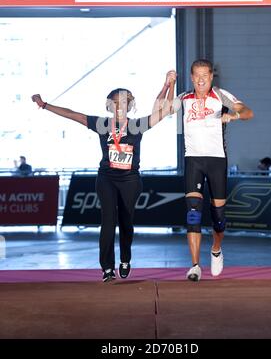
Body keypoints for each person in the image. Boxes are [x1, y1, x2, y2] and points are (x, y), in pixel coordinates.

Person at [32, 71, 176, 282]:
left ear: (130, 105)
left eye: (125, 102)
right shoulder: (102, 125)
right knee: (108, 221)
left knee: (126, 222)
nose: (120, 107)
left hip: (130, 180)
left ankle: (125, 259)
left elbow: (165, 110)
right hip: (106, 178)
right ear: (110, 105)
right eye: (116, 103)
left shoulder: (137, 126)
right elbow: (74, 115)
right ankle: (107, 268)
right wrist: (45, 105)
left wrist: (169, 85)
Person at [172, 59, 253, 281]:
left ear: (211, 77)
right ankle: (195, 265)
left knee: (218, 218)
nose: (200, 80)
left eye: (205, 76)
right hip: (193, 161)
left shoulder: (220, 95)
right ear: (191, 77)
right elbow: (161, 109)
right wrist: (167, 85)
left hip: (217, 161)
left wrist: (233, 115)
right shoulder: (184, 98)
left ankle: (216, 249)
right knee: (193, 213)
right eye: (196, 75)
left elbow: (248, 112)